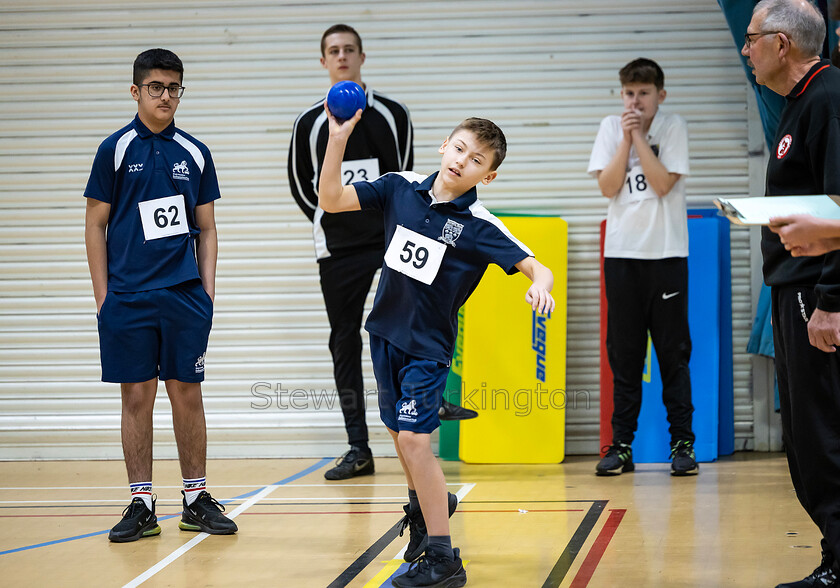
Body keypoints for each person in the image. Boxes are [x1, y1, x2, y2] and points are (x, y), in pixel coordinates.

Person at [319, 113, 555, 587]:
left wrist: (540, 287)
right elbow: (330, 198)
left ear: (487, 175)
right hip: (384, 334)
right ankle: (425, 511)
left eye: (477, 160)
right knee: (395, 430)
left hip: (428, 349)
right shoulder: (399, 186)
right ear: (444, 145)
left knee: (413, 440)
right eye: (460, 148)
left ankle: (444, 559)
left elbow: (536, 265)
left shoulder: (478, 224)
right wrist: (337, 138)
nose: (463, 160)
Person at [288, 24, 475, 481]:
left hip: (394, 237)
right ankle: (358, 446)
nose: (342, 56)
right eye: (334, 51)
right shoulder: (310, 122)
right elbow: (301, 184)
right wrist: (339, 218)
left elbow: (408, 175)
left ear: (362, 57)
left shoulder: (392, 113)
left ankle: (432, 395)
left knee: (421, 314)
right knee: (345, 339)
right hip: (338, 245)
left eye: (349, 49)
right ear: (324, 62)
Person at [85, 48, 237, 542]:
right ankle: (142, 502)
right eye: (156, 87)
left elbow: (208, 230)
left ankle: (196, 498)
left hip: (183, 296)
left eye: (174, 88)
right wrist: (103, 298)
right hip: (127, 299)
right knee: (136, 397)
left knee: (187, 394)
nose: (166, 96)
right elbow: (95, 225)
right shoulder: (114, 149)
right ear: (136, 91)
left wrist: (207, 292)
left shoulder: (195, 152)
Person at [741, 1, 840, 586]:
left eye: (752, 39)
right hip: (795, 289)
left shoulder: (827, 100)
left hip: (816, 292)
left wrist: (832, 300)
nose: (746, 49)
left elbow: (835, 205)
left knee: (821, 431)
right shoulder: (800, 103)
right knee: (805, 433)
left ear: (782, 44)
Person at [587, 58, 697, 477]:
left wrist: (639, 136)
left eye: (644, 93)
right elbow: (609, 186)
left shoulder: (673, 128)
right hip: (622, 257)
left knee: (673, 353)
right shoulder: (609, 128)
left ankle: (682, 443)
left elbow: (662, 183)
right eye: (630, 93)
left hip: (666, 256)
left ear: (660, 95)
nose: (636, 101)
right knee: (625, 355)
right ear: (622, 95)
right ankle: (621, 445)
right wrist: (625, 139)